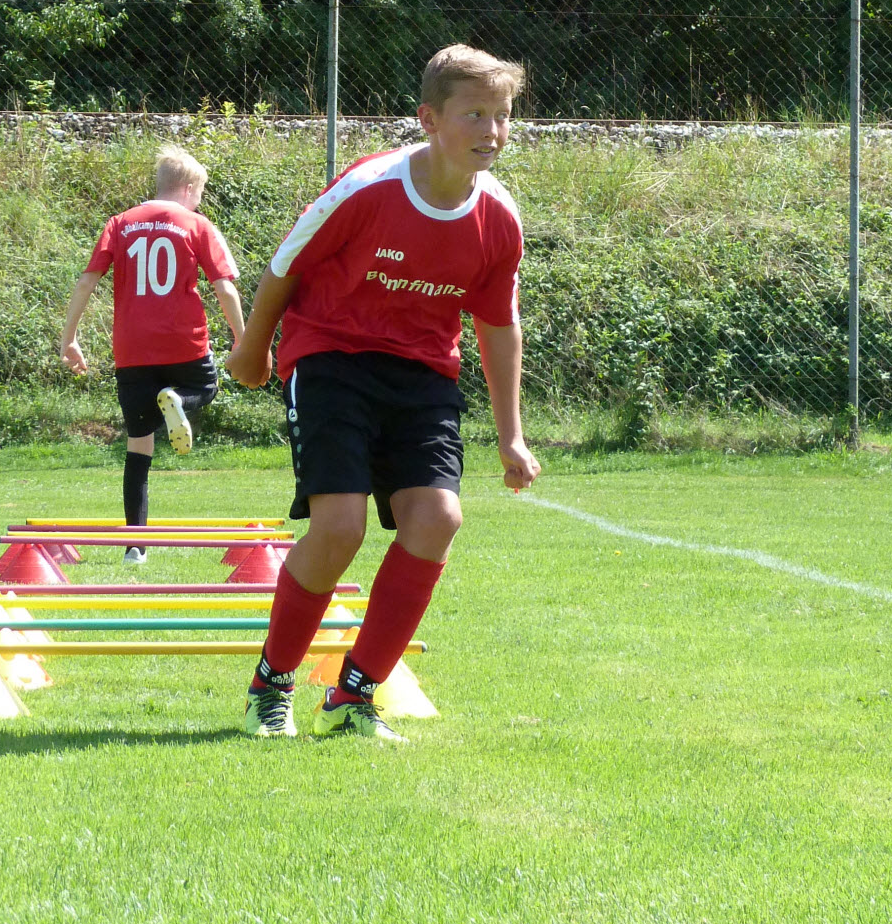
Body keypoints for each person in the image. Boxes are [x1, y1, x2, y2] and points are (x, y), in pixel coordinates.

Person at [225, 43, 540, 739]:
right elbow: (285, 264)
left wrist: (512, 436)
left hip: (423, 372)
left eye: (502, 115)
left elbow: (497, 324)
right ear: (430, 118)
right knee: (340, 527)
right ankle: (270, 686)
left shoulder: (499, 217)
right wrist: (252, 349)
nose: (491, 130)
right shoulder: (369, 186)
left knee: (438, 518)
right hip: (331, 355)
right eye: (474, 114)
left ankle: (353, 696)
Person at [60, 145, 244, 561]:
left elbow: (87, 281)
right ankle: (179, 399)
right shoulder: (197, 224)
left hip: (133, 349)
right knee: (206, 387)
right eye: (200, 194)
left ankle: (135, 548)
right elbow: (224, 287)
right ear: (190, 188)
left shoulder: (120, 223)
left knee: (138, 446)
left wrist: (69, 338)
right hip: (184, 342)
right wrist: (242, 337)